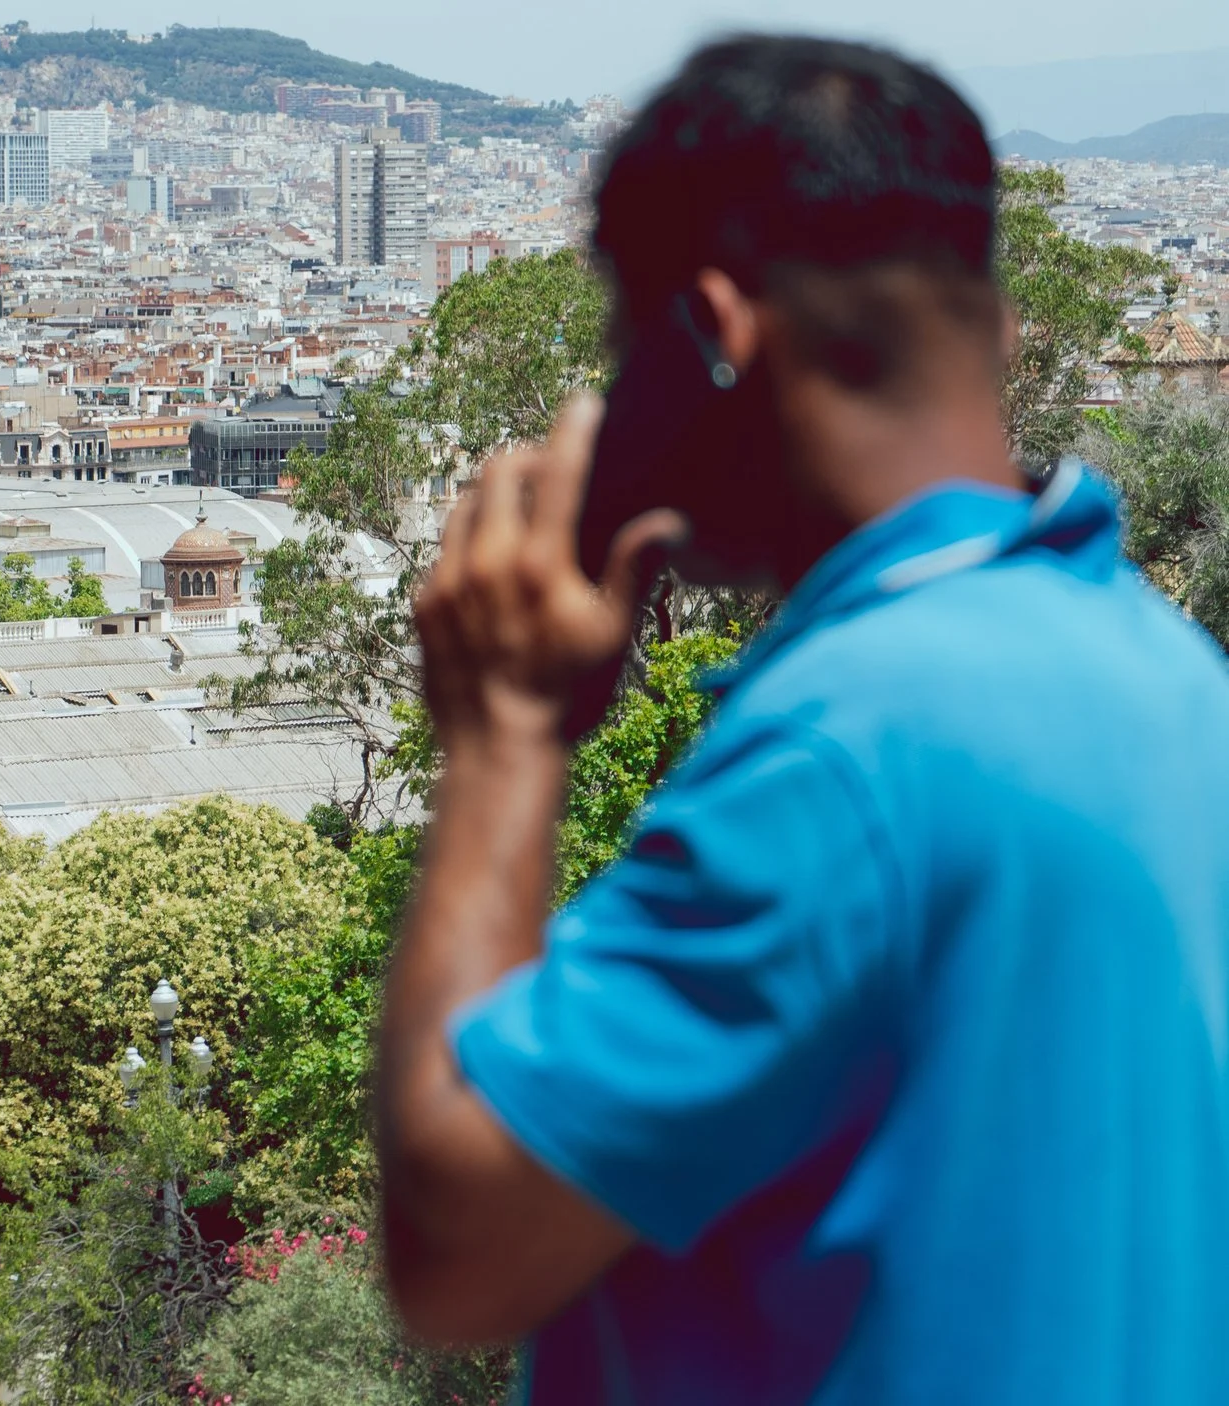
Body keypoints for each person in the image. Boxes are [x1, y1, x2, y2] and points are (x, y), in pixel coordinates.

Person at [376, 35, 1229, 1405]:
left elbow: (455, 1245)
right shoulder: (1177, 681)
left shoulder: (849, 755)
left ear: (711, 336)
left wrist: (503, 737)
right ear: (996, 328)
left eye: (622, 345)